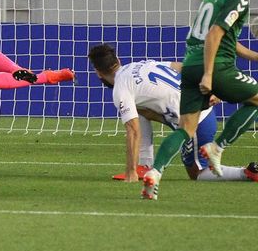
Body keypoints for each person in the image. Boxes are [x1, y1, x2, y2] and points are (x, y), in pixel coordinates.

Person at [142, 0, 258, 200]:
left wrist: (255, 57)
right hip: (215, 66)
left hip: (191, 64)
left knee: (185, 128)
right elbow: (215, 35)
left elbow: (225, 37)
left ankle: (155, 173)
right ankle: (217, 147)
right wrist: (209, 74)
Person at [88, 44, 258, 184]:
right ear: (118, 60)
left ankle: (247, 172)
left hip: (195, 121)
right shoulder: (141, 64)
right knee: (138, 110)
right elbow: (181, 66)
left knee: (197, 173)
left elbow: (133, 130)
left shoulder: (120, 89)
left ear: (98, 72)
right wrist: (213, 86)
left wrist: (129, 172)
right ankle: (145, 165)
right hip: (196, 106)